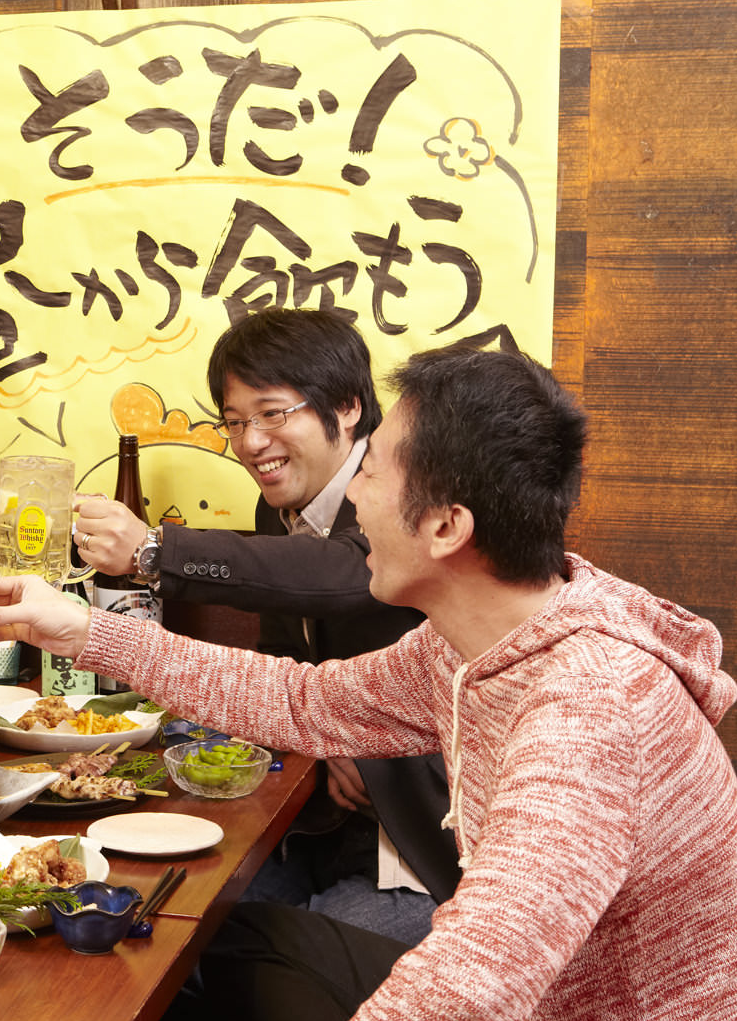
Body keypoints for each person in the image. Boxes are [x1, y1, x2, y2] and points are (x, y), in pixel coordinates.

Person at [0, 346, 737, 1021]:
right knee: (220, 947)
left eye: (370, 469)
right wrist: (81, 631)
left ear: (445, 526)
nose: (355, 497)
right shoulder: (473, 641)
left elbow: (465, 995)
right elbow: (304, 701)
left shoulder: (590, 711)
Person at [73, 309, 456, 941]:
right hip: (320, 823)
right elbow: (286, 653)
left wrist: (154, 551)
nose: (251, 442)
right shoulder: (282, 498)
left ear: (348, 407)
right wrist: (327, 740)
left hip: (420, 845)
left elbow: (345, 575)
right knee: (174, 924)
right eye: (235, 421)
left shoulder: (406, 489)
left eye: (273, 414)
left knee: (264, 963)